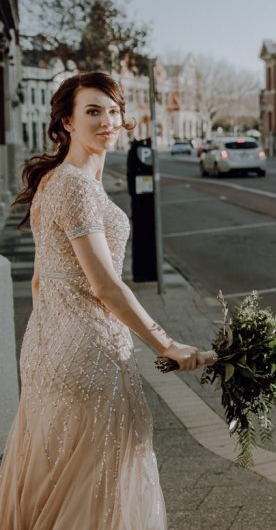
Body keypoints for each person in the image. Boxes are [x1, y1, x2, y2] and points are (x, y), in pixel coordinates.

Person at [0, 72, 208, 530]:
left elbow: (39, 282)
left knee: (57, 478)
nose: (107, 120)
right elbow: (106, 286)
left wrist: (49, 340)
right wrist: (165, 343)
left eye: (113, 111)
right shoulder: (74, 186)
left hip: (47, 348)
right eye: (93, 111)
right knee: (99, 488)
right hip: (89, 353)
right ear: (67, 122)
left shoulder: (53, 182)